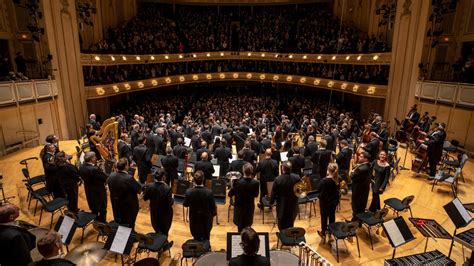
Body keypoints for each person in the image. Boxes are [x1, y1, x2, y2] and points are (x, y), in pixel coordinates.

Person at [108, 158, 142, 229]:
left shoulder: (111, 175)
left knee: (120, 221)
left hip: (116, 204)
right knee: (130, 224)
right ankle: (130, 236)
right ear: (126, 166)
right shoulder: (129, 178)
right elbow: (139, 189)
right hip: (128, 207)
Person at [183, 170, 217, 240]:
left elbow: (185, 204)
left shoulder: (189, 191)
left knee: (195, 236)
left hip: (194, 218)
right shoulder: (209, 192)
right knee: (206, 237)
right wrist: (213, 215)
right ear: (203, 179)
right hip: (206, 219)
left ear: (194, 180)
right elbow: (213, 208)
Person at [228, 163, 259, 232]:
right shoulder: (256, 183)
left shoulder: (237, 182)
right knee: (248, 227)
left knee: (239, 227)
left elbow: (230, 194)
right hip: (249, 208)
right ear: (252, 171)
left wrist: (232, 184)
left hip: (239, 208)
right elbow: (256, 195)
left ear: (243, 171)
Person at [270, 161, 300, 230]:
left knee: (281, 223)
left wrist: (271, 202)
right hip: (293, 204)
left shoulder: (278, 179)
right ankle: (289, 237)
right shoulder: (297, 177)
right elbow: (300, 191)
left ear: (282, 168)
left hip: (282, 205)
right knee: (291, 222)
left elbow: (273, 193)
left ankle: (283, 237)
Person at [78, 152, 108, 222]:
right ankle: (102, 223)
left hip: (89, 189)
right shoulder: (94, 169)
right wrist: (99, 168)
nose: (96, 158)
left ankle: (96, 221)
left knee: (94, 208)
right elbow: (105, 177)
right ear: (91, 159)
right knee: (103, 209)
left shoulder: (82, 166)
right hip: (98, 191)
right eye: (94, 157)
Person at [143, 170, 173, 235]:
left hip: (154, 211)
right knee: (164, 231)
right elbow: (170, 203)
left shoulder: (150, 186)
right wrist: (172, 197)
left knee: (157, 229)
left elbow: (145, 198)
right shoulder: (167, 188)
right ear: (163, 177)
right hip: (165, 213)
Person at [317, 163, 340, 243]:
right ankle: (330, 233)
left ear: (328, 170)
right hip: (333, 203)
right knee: (332, 216)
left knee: (324, 218)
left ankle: (323, 233)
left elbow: (318, 189)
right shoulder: (338, 179)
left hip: (325, 203)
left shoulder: (324, 181)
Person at [350, 152, 372, 221]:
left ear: (366, 159)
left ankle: (353, 224)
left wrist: (352, 171)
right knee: (361, 208)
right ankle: (358, 222)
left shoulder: (361, 169)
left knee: (355, 208)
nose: (359, 157)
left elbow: (352, 177)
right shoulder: (369, 165)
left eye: (361, 156)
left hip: (358, 191)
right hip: (364, 190)